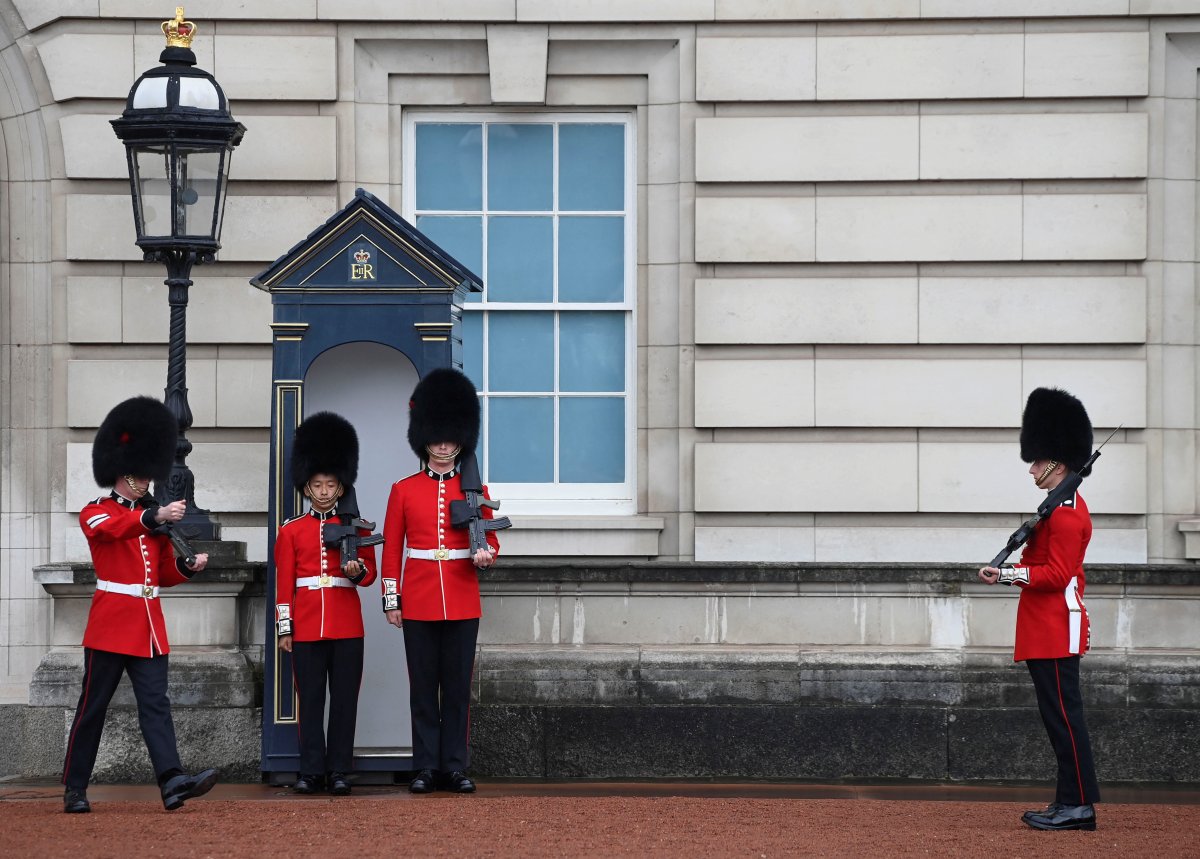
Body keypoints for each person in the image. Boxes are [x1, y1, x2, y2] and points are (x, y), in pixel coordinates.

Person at [61, 396, 218, 814]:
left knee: (156, 706)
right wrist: (154, 517)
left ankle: (172, 781)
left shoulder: (152, 518)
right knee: (93, 708)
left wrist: (187, 567)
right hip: (111, 626)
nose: (147, 482)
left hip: (148, 627)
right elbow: (112, 530)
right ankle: (75, 786)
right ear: (121, 472)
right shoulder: (97, 512)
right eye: (141, 475)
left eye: (149, 474)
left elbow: (160, 573)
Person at [978, 387, 1101, 832]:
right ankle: (1068, 799)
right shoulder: (1055, 509)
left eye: (1037, 460)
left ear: (1058, 464)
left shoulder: (1067, 514)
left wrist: (1006, 575)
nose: (1032, 468)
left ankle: (1079, 806)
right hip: (1044, 625)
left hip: (1055, 626)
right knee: (1057, 720)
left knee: (1065, 720)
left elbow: (1056, 575)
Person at [381, 368, 498, 794]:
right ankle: (426, 767)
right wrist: (392, 599)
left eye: (450, 438)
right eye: (437, 437)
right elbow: (392, 549)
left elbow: (491, 541)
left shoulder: (476, 490)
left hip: (462, 598)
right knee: (423, 690)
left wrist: (486, 556)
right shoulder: (404, 489)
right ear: (424, 438)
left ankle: (455, 766)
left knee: (457, 690)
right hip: (419, 599)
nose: (444, 445)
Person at [275, 411, 379, 795]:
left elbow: (369, 575)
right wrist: (285, 629)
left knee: (344, 702)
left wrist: (355, 571)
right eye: (317, 484)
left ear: (340, 486)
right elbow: (284, 584)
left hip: (346, 624)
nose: (323, 491)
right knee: (311, 702)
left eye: (330, 484)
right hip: (305, 625)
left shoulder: (358, 527)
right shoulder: (291, 530)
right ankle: (311, 771)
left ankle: (338, 770)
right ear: (306, 486)